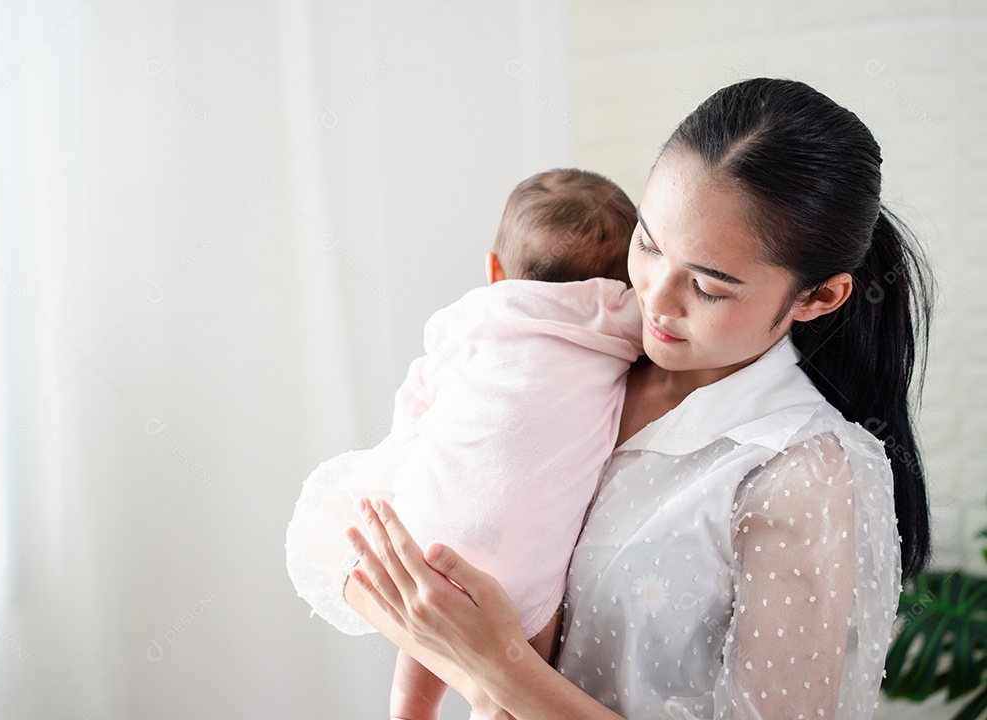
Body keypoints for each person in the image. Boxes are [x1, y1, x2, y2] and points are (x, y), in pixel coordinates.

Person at [343, 77, 934, 720]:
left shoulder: (798, 474)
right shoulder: (578, 356)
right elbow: (355, 551)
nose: (652, 299)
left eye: (708, 287)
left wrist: (496, 670)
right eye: (648, 244)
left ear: (818, 298)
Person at [285, 169, 645, 720]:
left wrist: (407, 441)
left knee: (419, 643)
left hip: (432, 532)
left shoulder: (475, 315)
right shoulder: (626, 327)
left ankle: (411, 711)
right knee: (524, 671)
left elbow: (421, 393)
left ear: (495, 270)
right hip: (533, 561)